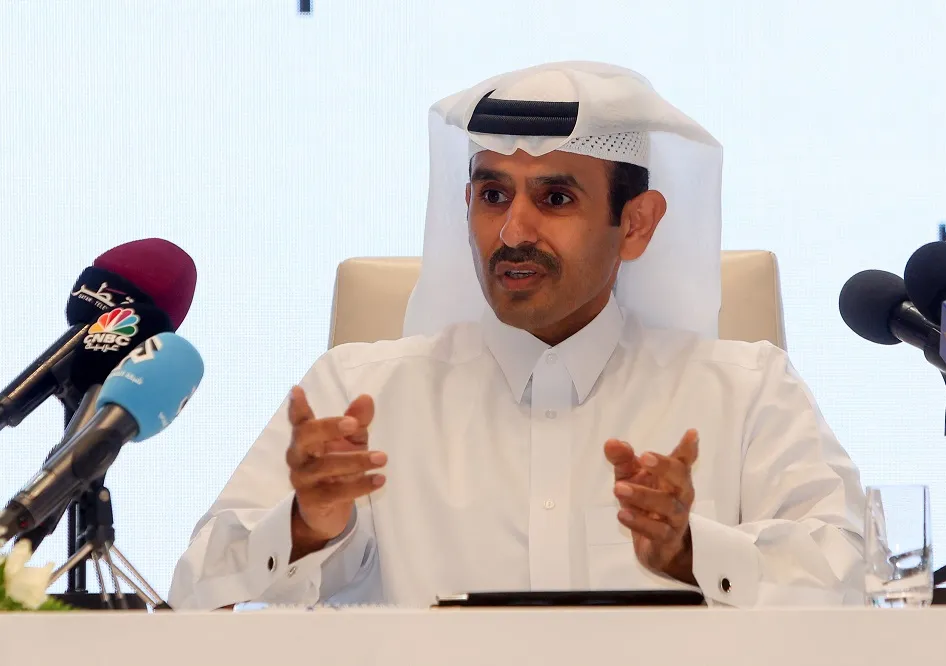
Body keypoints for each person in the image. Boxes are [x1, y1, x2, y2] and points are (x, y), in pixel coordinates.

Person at [169, 61, 865, 610]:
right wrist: (309, 525)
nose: (512, 232)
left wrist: (691, 554)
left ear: (637, 223)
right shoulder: (357, 393)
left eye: (556, 198)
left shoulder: (748, 392)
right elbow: (196, 590)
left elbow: (850, 582)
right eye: (493, 194)